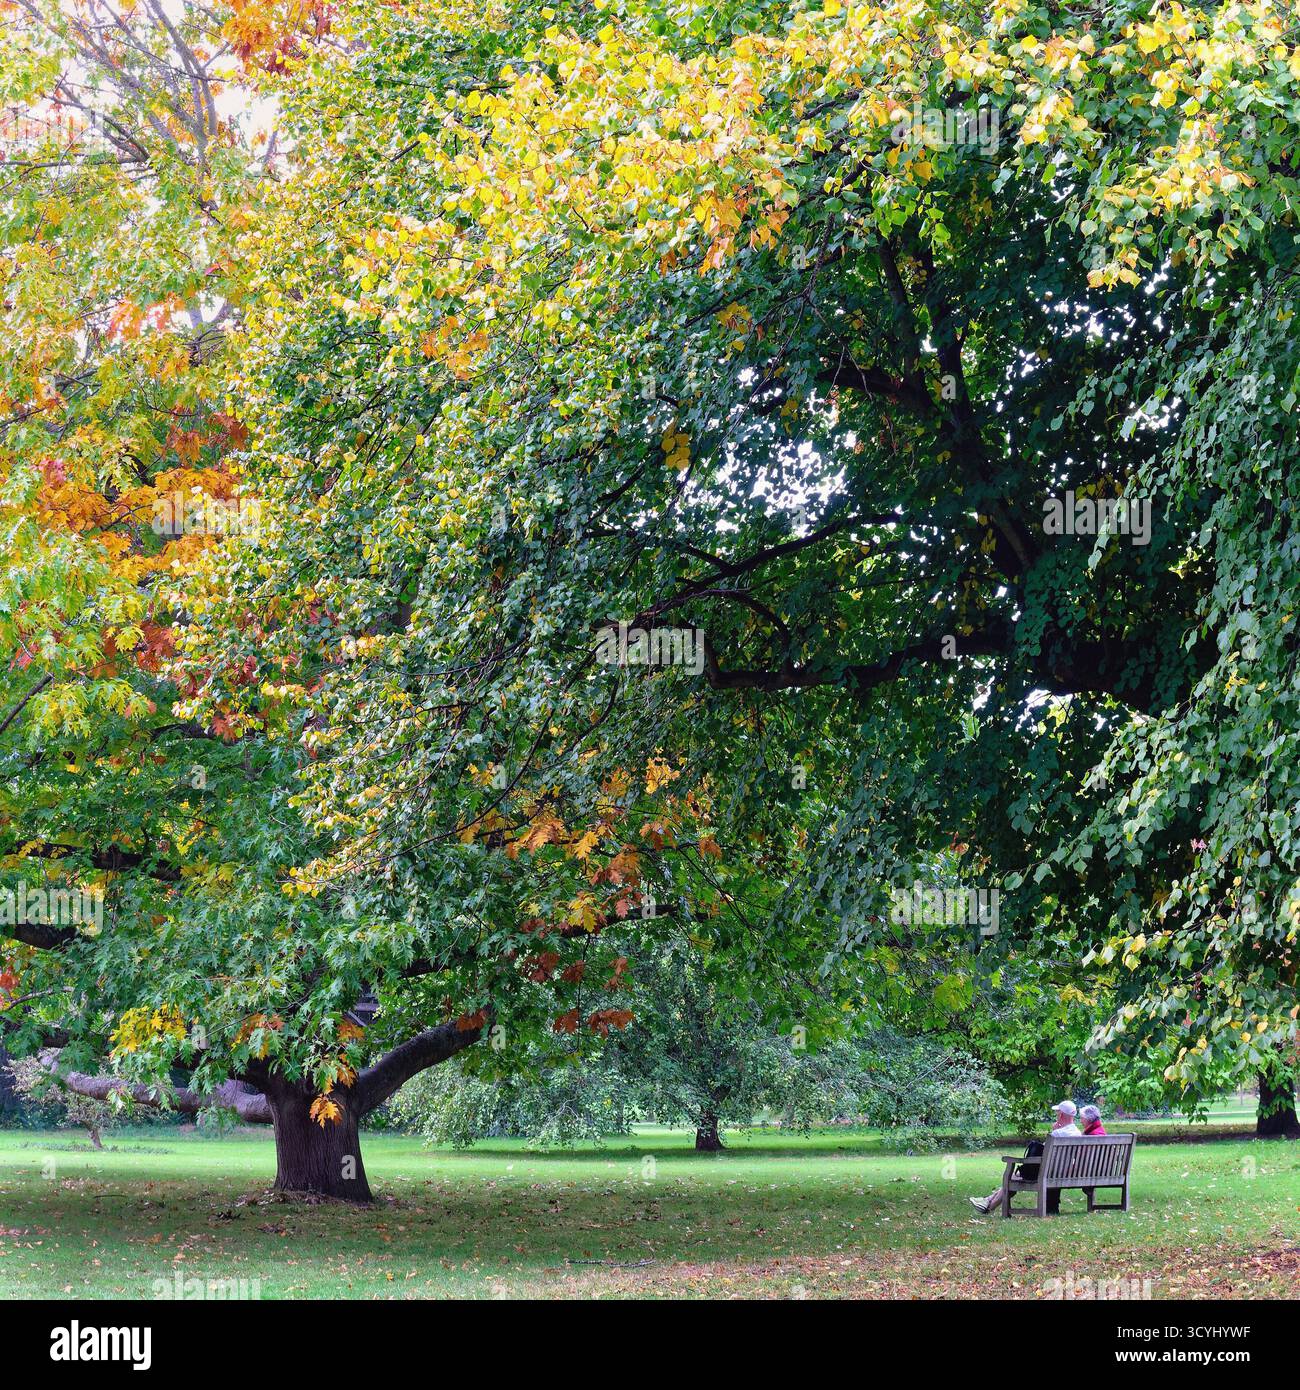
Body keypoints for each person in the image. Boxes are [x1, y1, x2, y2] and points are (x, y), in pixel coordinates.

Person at [969, 1101, 1080, 1215]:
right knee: (1015, 1176)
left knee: (1013, 1176)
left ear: (1061, 1115)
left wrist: (1054, 1130)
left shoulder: (1057, 1134)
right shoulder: (1077, 1133)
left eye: (1057, 1113)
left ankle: (988, 1205)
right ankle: (987, 1202)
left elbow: (1044, 1151)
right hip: (1064, 1173)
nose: (1056, 1115)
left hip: (1049, 1173)